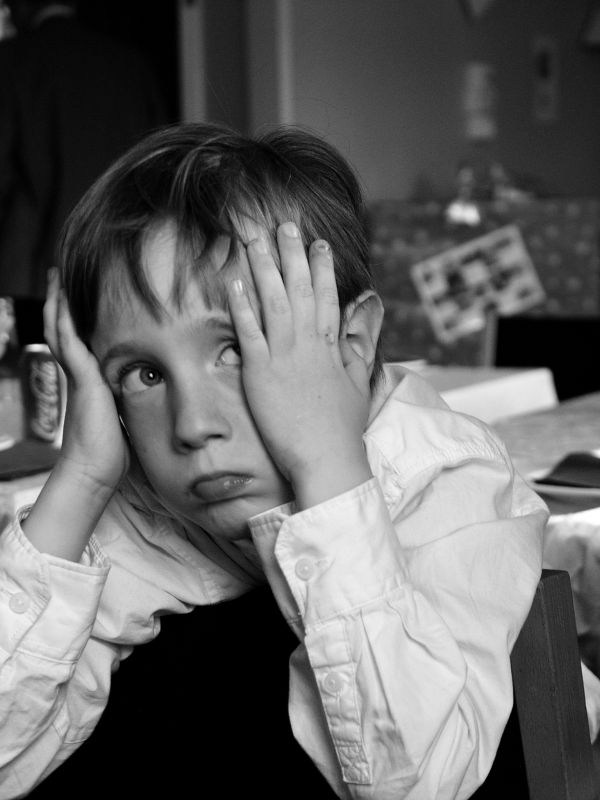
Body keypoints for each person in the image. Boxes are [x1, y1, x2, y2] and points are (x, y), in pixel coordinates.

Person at [0, 121, 590, 800]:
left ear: (353, 344)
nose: (192, 426)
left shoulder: (443, 476)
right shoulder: (147, 505)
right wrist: (82, 476)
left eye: (238, 349)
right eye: (143, 373)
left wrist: (325, 464)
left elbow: (423, 785)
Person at [0, 0, 167, 301]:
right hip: (123, 265)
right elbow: (161, 169)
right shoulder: (129, 65)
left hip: (32, 273)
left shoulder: (11, 61)